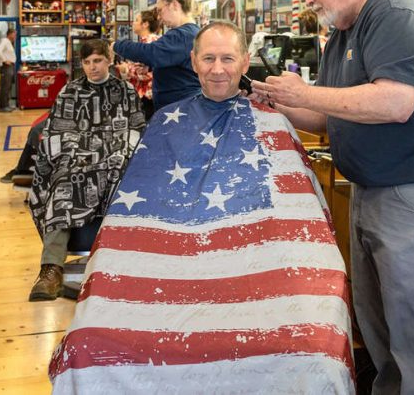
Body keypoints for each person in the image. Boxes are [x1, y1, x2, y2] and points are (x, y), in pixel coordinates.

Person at [48, 22, 353, 393]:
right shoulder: (165, 120)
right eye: (208, 58)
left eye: (227, 58)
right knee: (88, 342)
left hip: (262, 256)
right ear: (193, 62)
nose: (218, 68)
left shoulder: (274, 121)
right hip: (172, 253)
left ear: (244, 61)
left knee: (315, 344)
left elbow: (296, 212)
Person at [250, 0, 414, 394]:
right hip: (372, 196)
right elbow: (328, 115)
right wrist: (277, 104)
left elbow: (396, 102)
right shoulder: (342, 34)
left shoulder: (397, 16)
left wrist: (304, 93)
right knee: (385, 349)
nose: (307, 0)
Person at [27, 39, 146, 301]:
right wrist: (79, 150)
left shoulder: (124, 91)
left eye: (98, 61)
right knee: (61, 183)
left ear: (109, 61)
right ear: (82, 64)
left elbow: (135, 129)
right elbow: (56, 131)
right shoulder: (70, 92)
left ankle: (120, 261)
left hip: (114, 156)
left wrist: (113, 150)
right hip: (75, 157)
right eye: (88, 62)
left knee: (120, 171)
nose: (93, 67)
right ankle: (51, 269)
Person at [112, 0, 201, 110]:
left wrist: (116, 45)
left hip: (181, 109)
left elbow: (150, 52)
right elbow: (179, 64)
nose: (158, 17)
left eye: (160, 10)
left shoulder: (182, 35)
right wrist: (151, 68)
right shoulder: (189, 32)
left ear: (175, 5)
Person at [116, 9, 161, 119]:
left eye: (136, 20)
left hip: (148, 98)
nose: (133, 23)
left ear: (145, 24)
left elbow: (145, 73)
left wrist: (126, 69)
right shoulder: (150, 41)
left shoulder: (149, 43)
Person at [0, 28, 17, 112]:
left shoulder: (9, 43)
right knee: (5, 87)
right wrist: (4, 60)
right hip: (6, 67)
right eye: (14, 34)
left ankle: (6, 105)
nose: (15, 36)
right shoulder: (5, 41)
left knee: (8, 87)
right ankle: (2, 107)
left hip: (10, 66)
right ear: (10, 34)